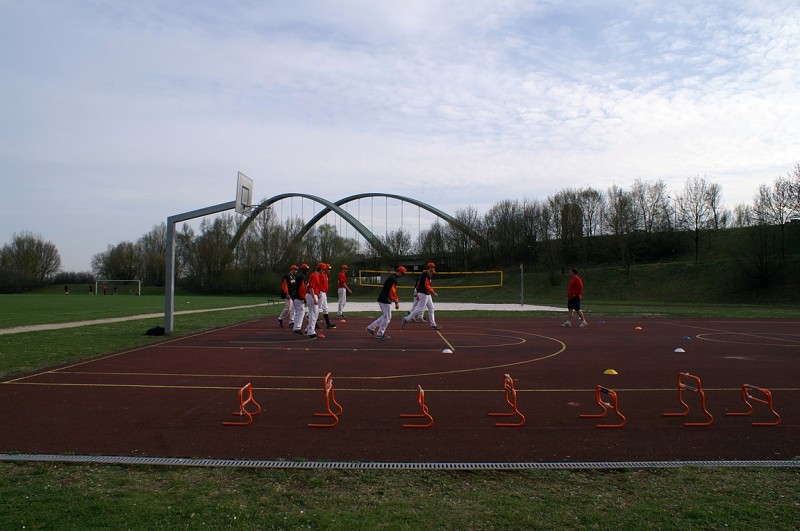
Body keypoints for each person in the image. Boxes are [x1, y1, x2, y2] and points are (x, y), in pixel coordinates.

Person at [366, 266, 406, 339]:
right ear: (399, 271)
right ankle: (380, 333)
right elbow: (392, 291)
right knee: (387, 317)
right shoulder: (393, 279)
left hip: (383, 299)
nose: (402, 275)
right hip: (385, 299)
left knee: (385, 316)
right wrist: (396, 301)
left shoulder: (392, 277)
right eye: (402, 274)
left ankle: (371, 327)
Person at [401, 262, 441, 330]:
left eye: (434, 267)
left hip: (426, 293)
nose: (433, 268)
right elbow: (426, 285)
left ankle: (433, 324)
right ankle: (406, 319)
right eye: (432, 267)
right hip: (423, 294)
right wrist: (433, 292)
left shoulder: (427, 274)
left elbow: (421, 285)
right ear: (429, 268)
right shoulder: (426, 275)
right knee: (420, 309)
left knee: (431, 308)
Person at [304, 263, 324, 338]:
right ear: (320, 269)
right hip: (311, 295)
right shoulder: (314, 276)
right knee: (313, 314)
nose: (324, 271)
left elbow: (313, 287)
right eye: (323, 269)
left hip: (312, 295)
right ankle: (311, 331)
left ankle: (308, 329)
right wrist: (314, 298)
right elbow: (310, 287)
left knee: (313, 313)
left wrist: (317, 294)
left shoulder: (315, 275)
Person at [291, 264, 309, 335]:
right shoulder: (302, 277)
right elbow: (302, 288)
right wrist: (304, 297)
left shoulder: (299, 276)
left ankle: (296, 327)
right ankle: (297, 328)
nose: (307, 271)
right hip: (298, 297)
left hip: (296, 296)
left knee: (298, 312)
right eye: (306, 269)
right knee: (300, 312)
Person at [318, 263, 336, 329]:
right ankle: (312, 320)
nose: (329, 270)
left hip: (324, 292)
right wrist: (318, 292)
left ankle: (328, 323)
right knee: (318, 307)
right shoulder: (321, 275)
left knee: (325, 308)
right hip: (320, 292)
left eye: (330, 269)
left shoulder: (325, 275)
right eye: (328, 269)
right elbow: (318, 283)